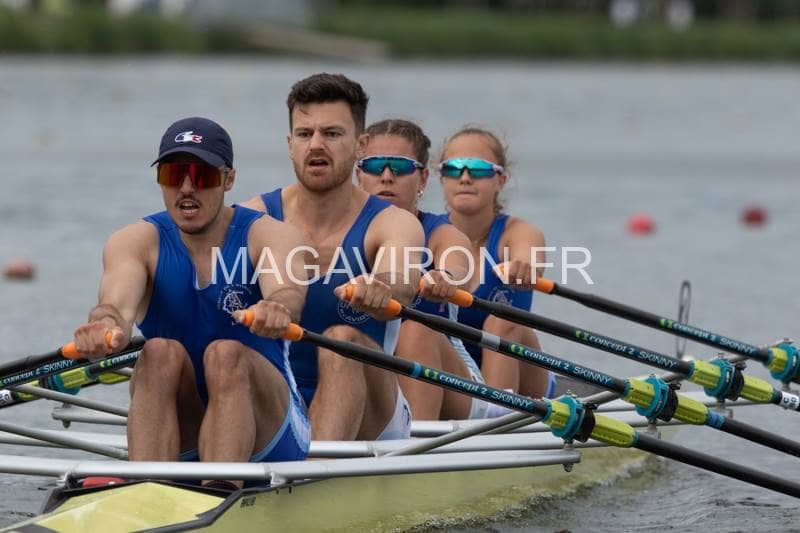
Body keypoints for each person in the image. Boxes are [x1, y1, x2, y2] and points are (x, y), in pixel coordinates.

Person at [72, 117, 311, 489]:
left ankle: (219, 490)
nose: (186, 188)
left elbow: (287, 293)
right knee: (158, 352)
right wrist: (104, 326)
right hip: (183, 427)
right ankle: (145, 491)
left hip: (270, 436)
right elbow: (115, 307)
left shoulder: (270, 235)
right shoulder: (134, 241)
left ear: (228, 179)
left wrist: (276, 308)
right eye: (173, 174)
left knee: (226, 353)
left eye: (202, 176)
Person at [242, 74, 424, 440]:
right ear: (290, 144)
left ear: (360, 145)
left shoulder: (392, 223)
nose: (316, 145)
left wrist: (382, 287)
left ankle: (316, 467)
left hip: (373, 412)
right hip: (278, 399)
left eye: (332, 134)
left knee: (341, 340)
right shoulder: (250, 216)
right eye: (305, 134)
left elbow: (401, 282)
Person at [355, 118, 488, 421]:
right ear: (358, 174)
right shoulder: (338, 232)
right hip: (373, 375)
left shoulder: (439, 232)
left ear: (423, 178)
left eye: (400, 167)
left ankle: (414, 442)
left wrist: (446, 278)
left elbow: (460, 264)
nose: (386, 177)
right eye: (374, 166)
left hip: (454, 386)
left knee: (414, 330)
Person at [438, 126, 555, 405]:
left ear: (500, 179)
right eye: (453, 169)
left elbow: (529, 252)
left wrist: (524, 266)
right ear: (441, 177)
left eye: (478, 169)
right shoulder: (426, 233)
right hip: (454, 374)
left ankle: (497, 415)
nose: (465, 178)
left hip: (525, 379)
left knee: (504, 319)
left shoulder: (517, 232)